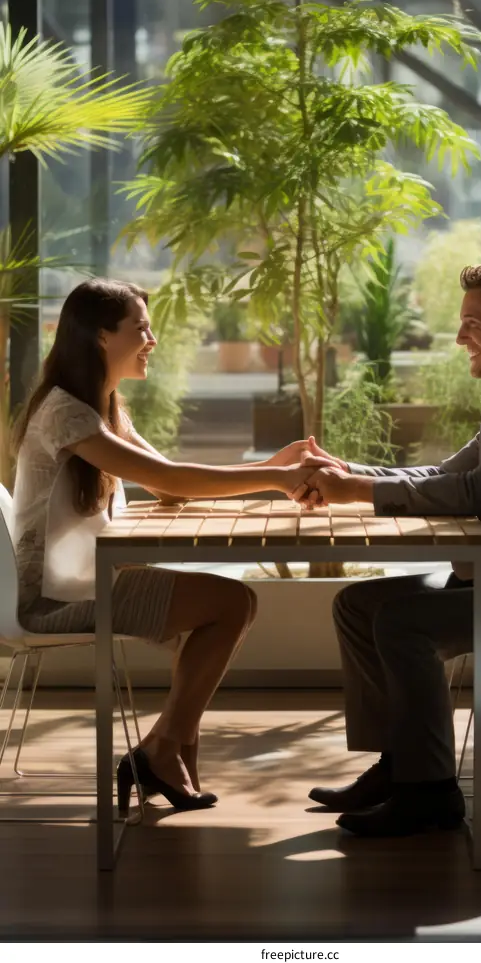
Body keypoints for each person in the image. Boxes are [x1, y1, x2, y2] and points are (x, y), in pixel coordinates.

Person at [294, 263, 481, 837]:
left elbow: (471, 492)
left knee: (404, 625)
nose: (459, 336)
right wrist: (345, 471)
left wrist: (354, 491)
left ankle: (431, 793)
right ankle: (399, 765)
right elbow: (443, 472)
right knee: (357, 606)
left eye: (471, 323)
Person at [12, 278, 320, 815]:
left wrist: (273, 468)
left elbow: (166, 486)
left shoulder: (102, 407)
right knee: (229, 605)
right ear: (101, 337)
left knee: (233, 605)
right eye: (141, 327)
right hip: (54, 598)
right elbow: (172, 477)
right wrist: (274, 477)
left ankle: (165, 751)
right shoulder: (68, 413)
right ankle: (161, 752)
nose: (152, 338)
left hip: (83, 578)